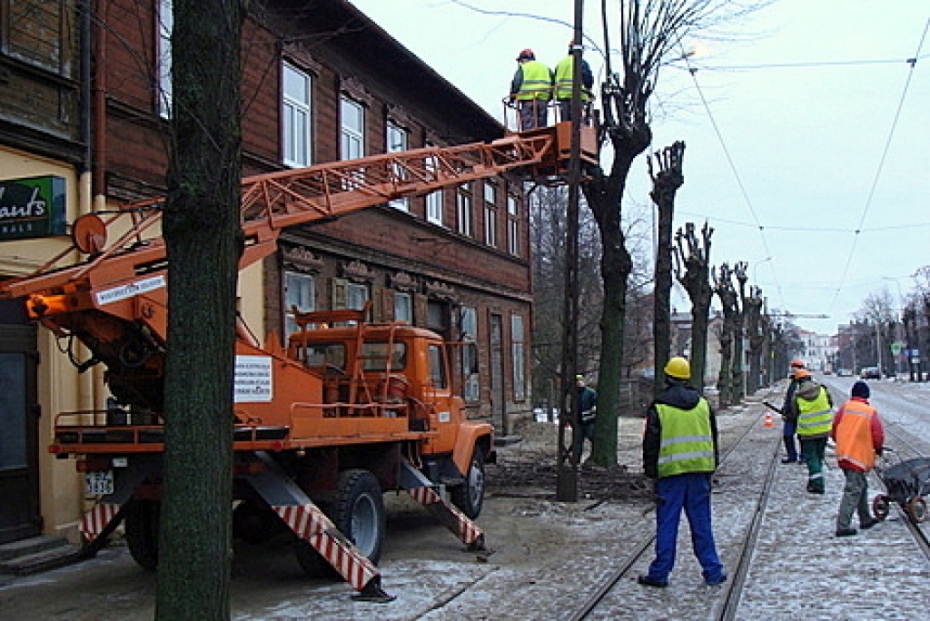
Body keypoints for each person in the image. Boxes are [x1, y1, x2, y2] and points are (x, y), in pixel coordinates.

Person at [638, 356, 727, 588]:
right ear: (687, 378)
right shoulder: (703, 405)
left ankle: (660, 573)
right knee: (702, 523)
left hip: (670, 475)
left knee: (667, 524)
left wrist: (650, 472)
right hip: (700, 472)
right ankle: (713, 570)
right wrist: (711, 466)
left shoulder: (659, 407)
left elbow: (651, 444)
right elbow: (713, 438)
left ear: (667, 377)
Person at [832, 381, 884, 536]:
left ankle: (865, 518)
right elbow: (878, 435)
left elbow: (834, 429)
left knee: (861, 485)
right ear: (866, 395)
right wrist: (878, 448)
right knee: (853, 489)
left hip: (844, 454)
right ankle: (842, 525)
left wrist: (841, 443)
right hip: (857, 456)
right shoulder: (869, 411)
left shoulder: (844, 409)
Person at [787, 368, 834, 494]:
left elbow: (794, 413)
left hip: (807, 432)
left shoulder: (797, 396)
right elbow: (830, 404)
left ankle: (818, 484)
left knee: (811, 457)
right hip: (824, 430)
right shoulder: (823, 390)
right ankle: (813, 480)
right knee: (819, 456)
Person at [509, 49, 553, 130]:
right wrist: (550, 97)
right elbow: (553, 83)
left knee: (528, 127)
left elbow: (516, 83)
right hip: (543, 100)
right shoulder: (545, 68)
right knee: (542, 126)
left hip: (527, 101)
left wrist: (512, 98)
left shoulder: (523, 68)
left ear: (524, 59)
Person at [553, 40, 594, 124]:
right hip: (579, 97)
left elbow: (555, 80)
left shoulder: (561, 63)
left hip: (563, 98)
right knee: (579, 124)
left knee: (565, 124)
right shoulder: (581, 62)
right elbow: (588, 81)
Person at [779, 360, 806, 464]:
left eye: (795, 368)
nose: (793, 370)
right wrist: (785, 409)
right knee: (787, 435)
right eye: (793, 368)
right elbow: (789, 397)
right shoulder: (793, 382)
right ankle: (792, 455)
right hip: (790, 414)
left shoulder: (804, 382)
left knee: (802, 437)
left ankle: (803, 456)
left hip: (801, 414)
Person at [575, 375, 597, 451]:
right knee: (578, 441)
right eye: (577, 381)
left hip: (589, 421)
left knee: (592, 438)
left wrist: (594, 408)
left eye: (580, 380)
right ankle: (577, 459)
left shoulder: (591, 392)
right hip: (578, 421)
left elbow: (595, 404)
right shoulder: (574, 393)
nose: (579, 382)